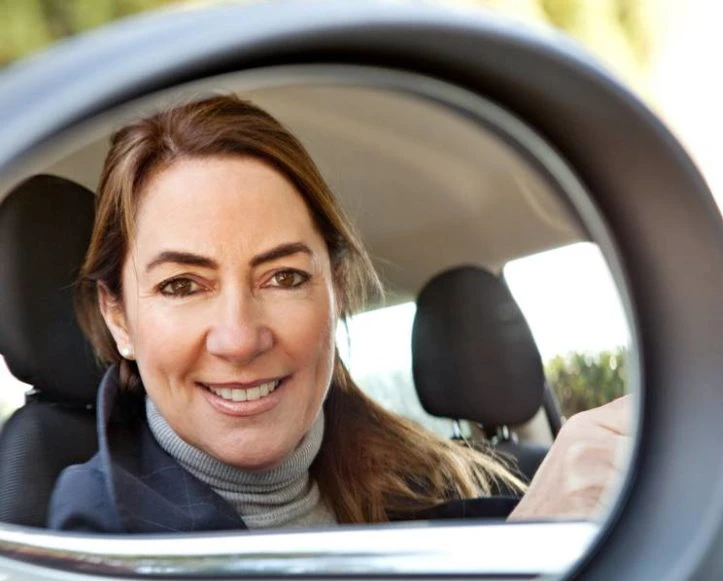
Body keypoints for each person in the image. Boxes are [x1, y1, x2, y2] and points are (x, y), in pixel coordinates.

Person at [47, 94, 629, 534]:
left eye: (284, 277)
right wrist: (528, 561)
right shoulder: (97, 544)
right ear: (119, 318)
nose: (239, 338)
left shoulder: (441, 483)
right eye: (181, 285)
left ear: (337, 291)